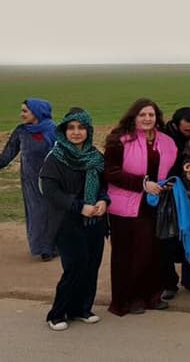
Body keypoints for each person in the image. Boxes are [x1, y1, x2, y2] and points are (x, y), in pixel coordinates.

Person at [104, 98, 178, 316]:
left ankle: (151, 296)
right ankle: (126, 299)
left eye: (151, 115)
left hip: (156, 204)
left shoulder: (165, 141)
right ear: (134, 116)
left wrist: (170, 183)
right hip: (126, 206)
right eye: (142, 114)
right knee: (127, 255)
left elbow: (172, 166)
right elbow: (110, 172)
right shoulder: (119, 140)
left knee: (153, 253)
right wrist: (142, 184)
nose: (147, 119)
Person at [40, 108, 109, 331]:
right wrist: (79, 207)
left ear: (88, 131)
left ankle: (81, 309)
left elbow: (103, 183)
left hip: (95, 221)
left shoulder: (96, 156)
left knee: (91, 266)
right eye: (71, 128)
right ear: (64, 131)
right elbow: (50, 190)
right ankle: (58, 313)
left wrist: (103, 200)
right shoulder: (55, 157)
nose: (76, 132)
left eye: (81, 128)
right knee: (75, 266)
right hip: (67, 221)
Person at [0, 98, 59, 260]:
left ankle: (55, 246)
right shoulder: (21, 131)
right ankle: (43, 248)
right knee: (37, 213)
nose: (22, 114)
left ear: (37, 111)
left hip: (52, 180)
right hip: (30, 181)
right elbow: (7, 155)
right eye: (22, 111)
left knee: (53, 213)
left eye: (25, 111)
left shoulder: (54, 130)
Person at [160, 106, 190, 301]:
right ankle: (169, 283)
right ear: (175, 125)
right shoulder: (164, 139)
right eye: (187, 131)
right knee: (168, 237)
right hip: (169, 192)